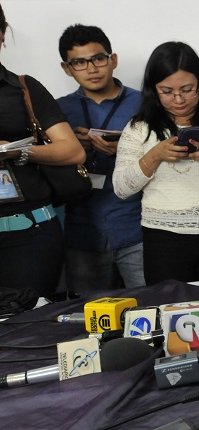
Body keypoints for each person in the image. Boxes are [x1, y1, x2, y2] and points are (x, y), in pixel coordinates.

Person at [113, 41, 199, 285]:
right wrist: (154, 155)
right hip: (163, 237)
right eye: (167, 91)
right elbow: (122, 188)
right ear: (153, 90)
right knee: (170, 305)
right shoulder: (139, 128)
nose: (178, 99)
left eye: (187, 90)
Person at [0, 3, 86, 296]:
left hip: (31, 233)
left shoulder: (23, 88)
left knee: (29, 317)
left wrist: (18, 152)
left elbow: (73, 151)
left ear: (2, 34)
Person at [56, 24, 144, 292]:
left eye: (98, 59)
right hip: (83, 232)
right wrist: (68, 147)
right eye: (79, 62)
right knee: (90, 312)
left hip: (137, 228)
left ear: (113, 59)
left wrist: (127, 149)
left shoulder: (144, 103)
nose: (91, 69)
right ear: (67, 69)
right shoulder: (58, 111)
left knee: (152, 306)